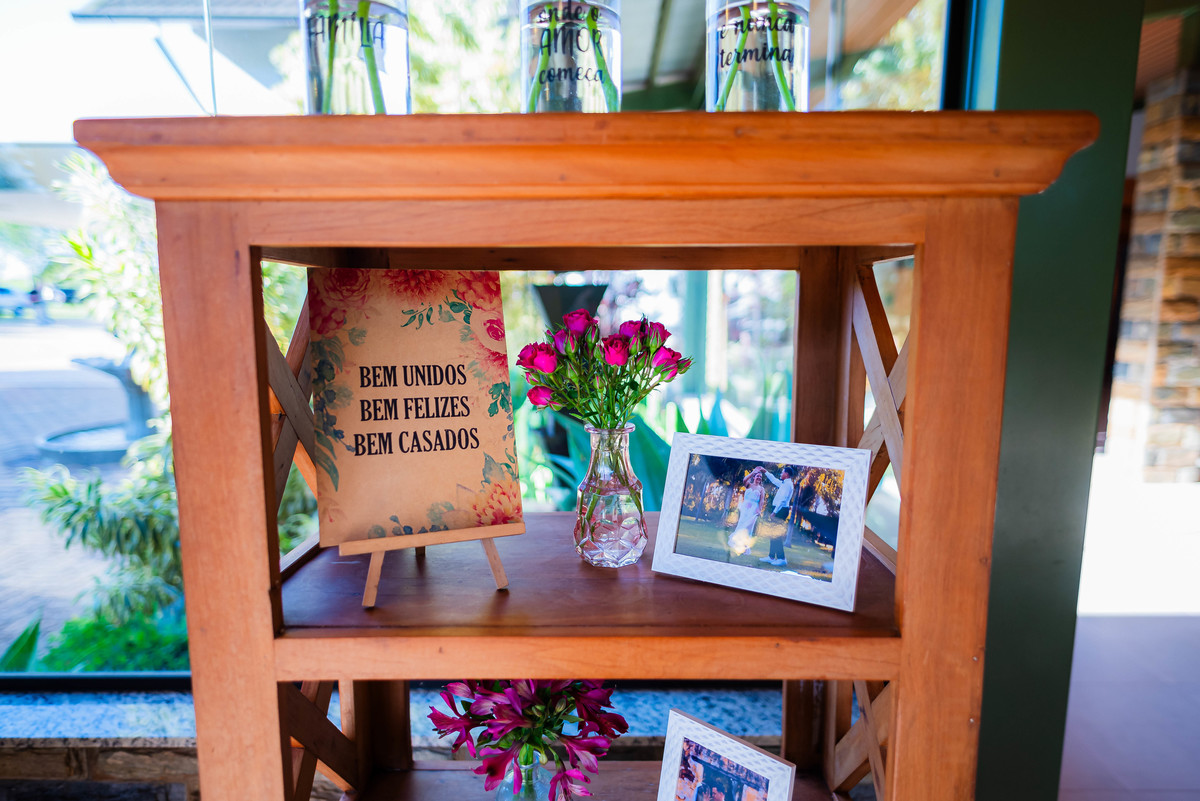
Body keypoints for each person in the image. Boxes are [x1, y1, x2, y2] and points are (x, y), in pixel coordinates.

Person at [759, 467, 795, 567]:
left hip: (781, 510)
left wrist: (775, 512)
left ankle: (781, 558)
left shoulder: (788, 485)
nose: (781, 473)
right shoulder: (784, 483)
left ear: (787, 474)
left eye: (782, 472)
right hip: (778, 509)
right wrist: (765, 471)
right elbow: (774, 480)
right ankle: (771, 557)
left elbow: (783, 500)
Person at [727, 470, 765, 556]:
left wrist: (759, 509)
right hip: (745, 508)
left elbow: (762, 500)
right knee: (741, 524)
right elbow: (744, 480)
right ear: (754, 477)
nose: (759, 478)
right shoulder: (749, 485)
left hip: (753, 509)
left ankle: (745, 547)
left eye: (760, 477)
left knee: (748, 528)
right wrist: (753, 472)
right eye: (757, 476)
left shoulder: (761, 489)